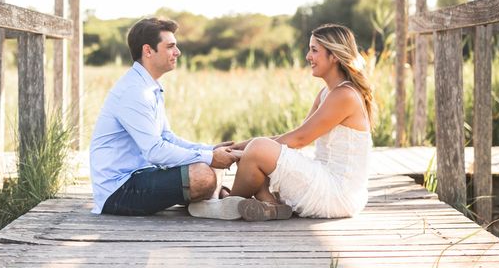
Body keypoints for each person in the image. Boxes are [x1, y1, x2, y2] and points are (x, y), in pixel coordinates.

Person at [192, 23, 374, 221]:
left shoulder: (344, 95)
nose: (308, 56)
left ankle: (226, 205)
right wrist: (237, 147)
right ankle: (270, 204)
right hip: (326, 182)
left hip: (337, 193)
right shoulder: (327, 93)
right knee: (260, 149)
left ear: (335, 56)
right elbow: (291, 137)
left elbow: (300, 139)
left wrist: (247, 151)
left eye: (314, 50)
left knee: (259, 148)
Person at [90, 17, 239, 216]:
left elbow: (167, 138)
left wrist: (210, 149)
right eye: (170, 46)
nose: (177, 52)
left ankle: (212, 198)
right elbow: (155, 151)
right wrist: (211, 157)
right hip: (118, 191)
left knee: (206, 166)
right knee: (202, 174)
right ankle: (214, 198)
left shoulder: (149, 87)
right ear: (148, 51)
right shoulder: (134, 92)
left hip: (141, 175)